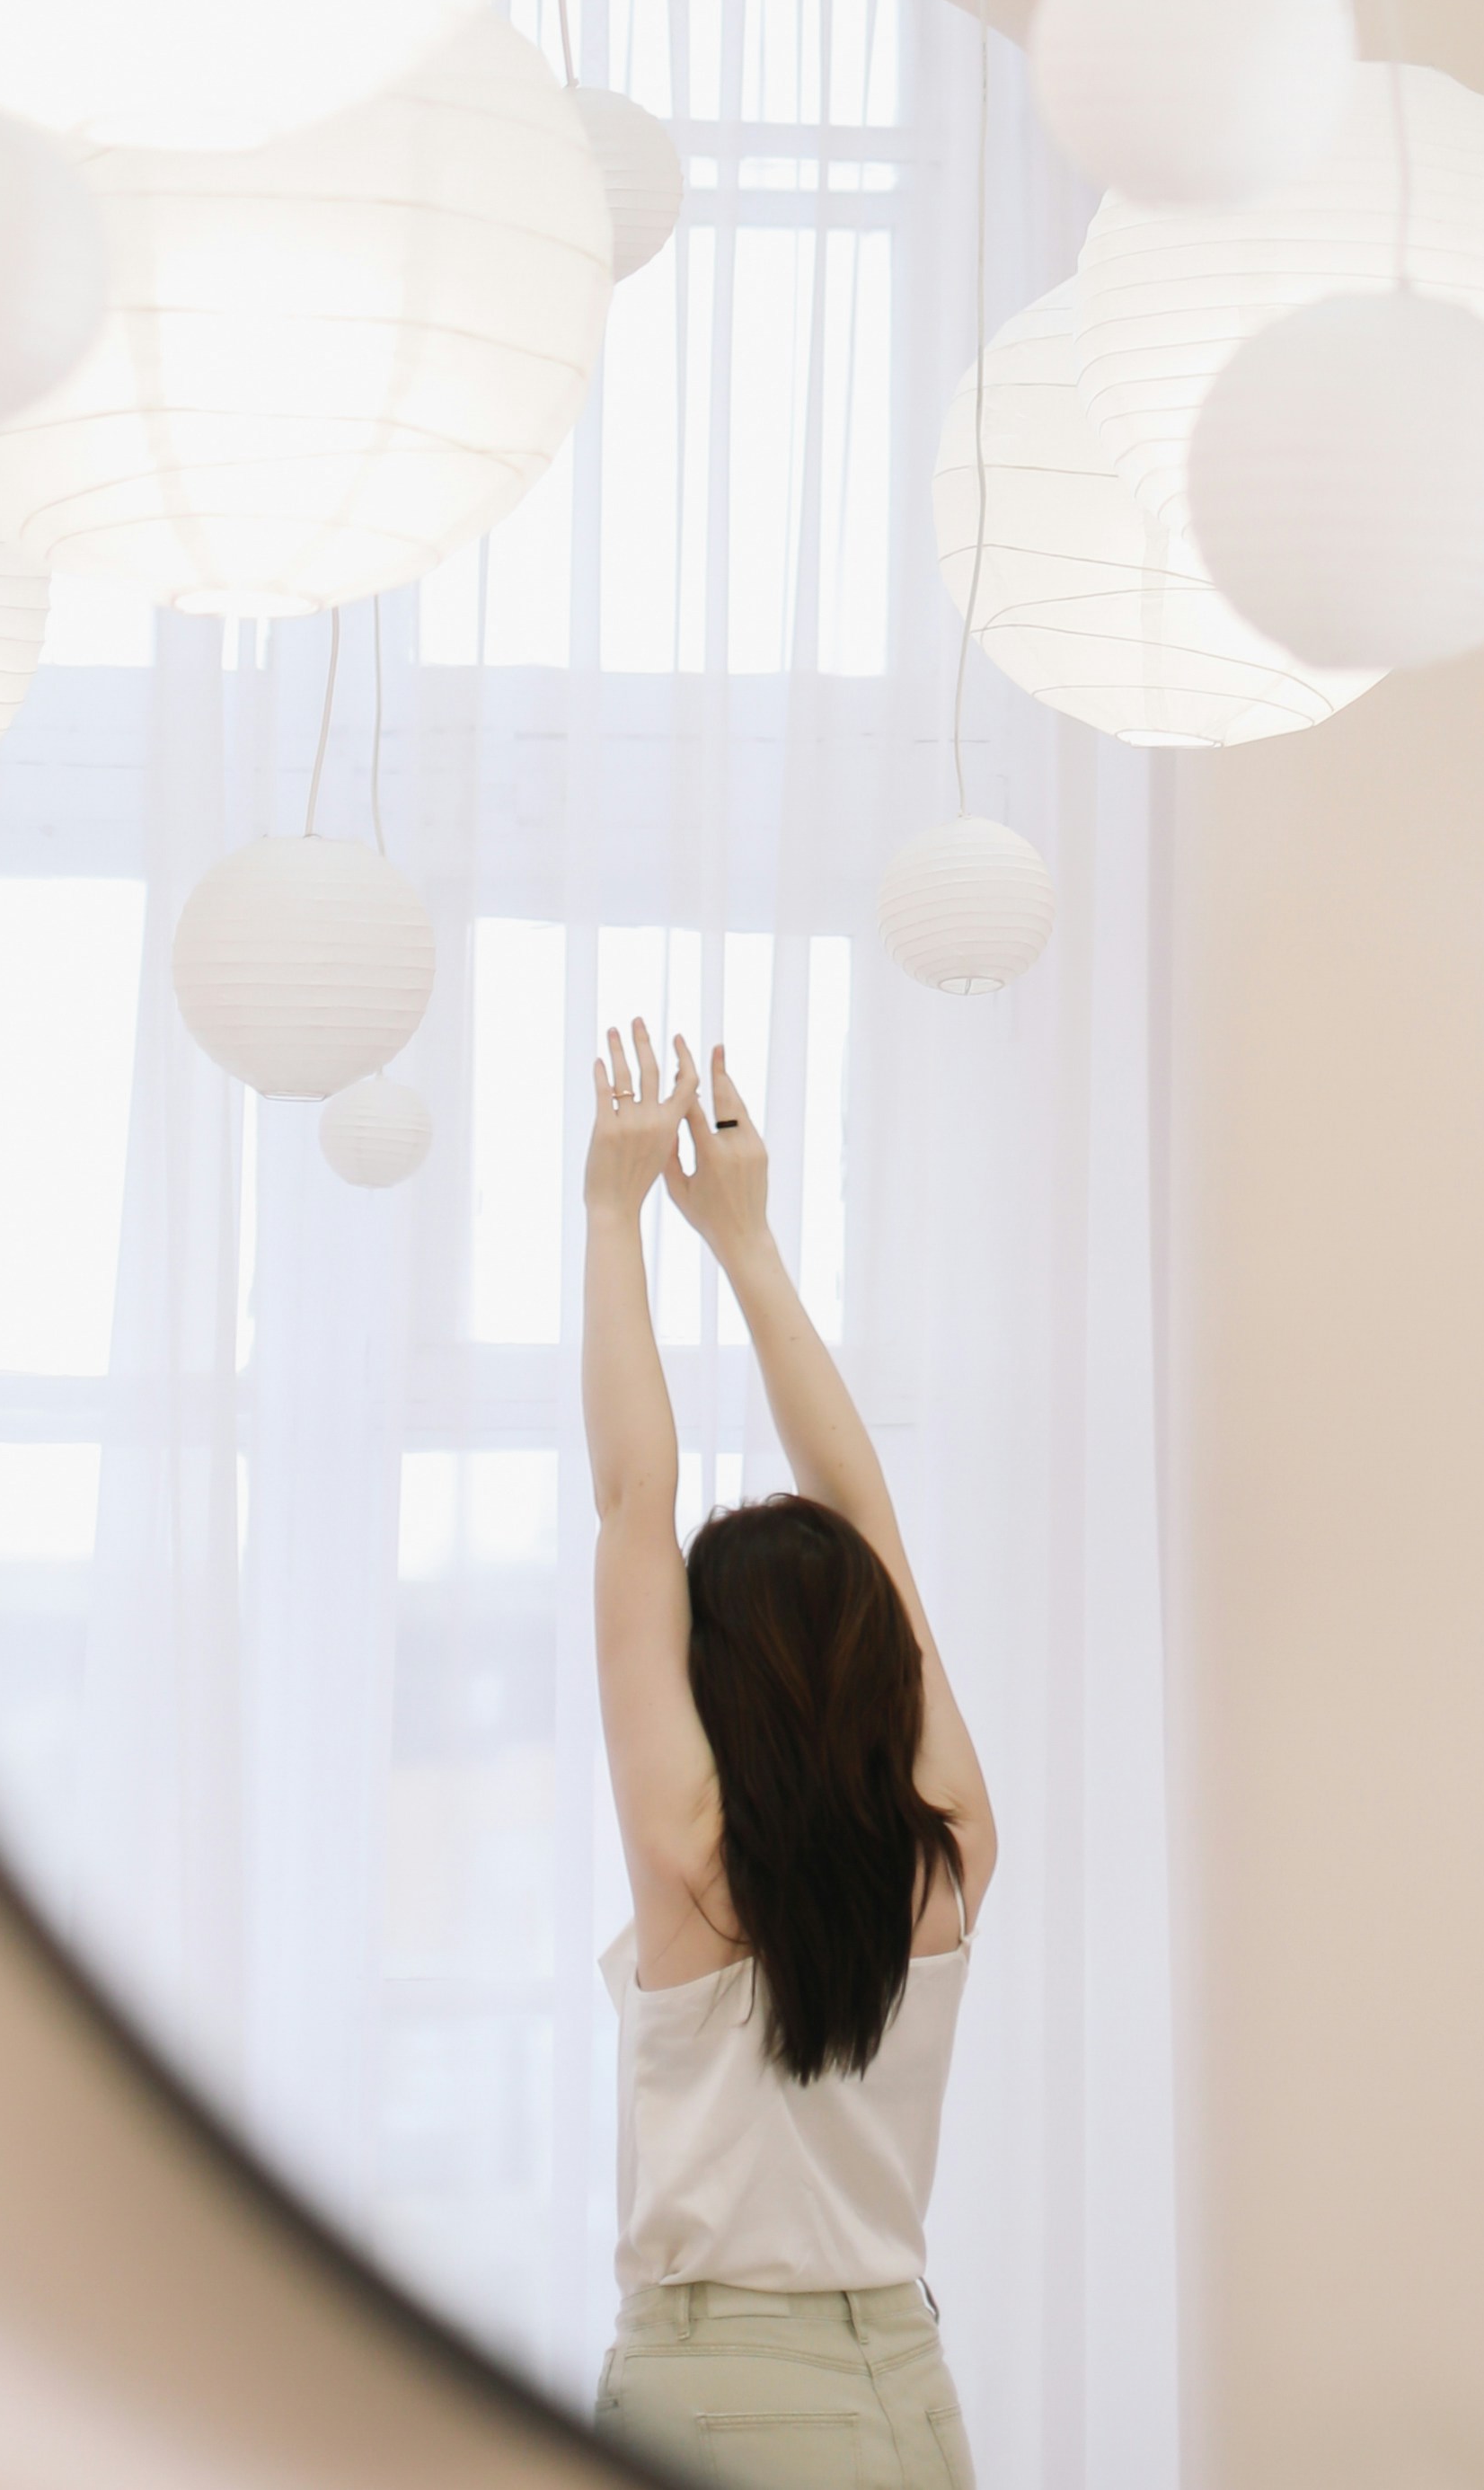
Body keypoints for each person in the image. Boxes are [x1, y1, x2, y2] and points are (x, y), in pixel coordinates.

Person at [579, 1015, 994, 2489]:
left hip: (722, 2396)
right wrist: (744, 1241)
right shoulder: (948, 1854)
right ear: (882, 1657)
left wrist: (612, 1213)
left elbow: (637, 1497)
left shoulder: (696, 1866)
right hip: (911, 2386)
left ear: (713, 1678)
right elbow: (864, 1513)